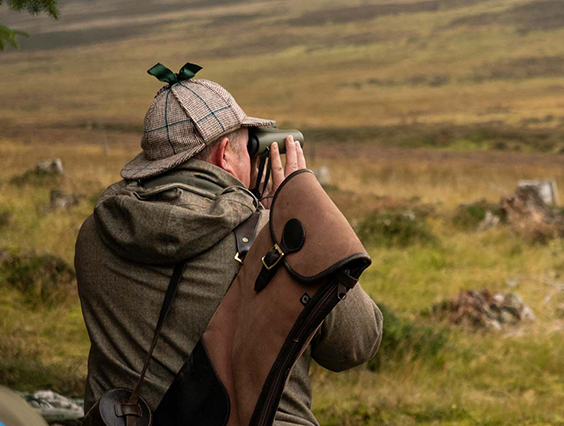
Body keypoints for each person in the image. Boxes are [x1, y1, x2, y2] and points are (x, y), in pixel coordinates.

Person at [74, 67, 382, 426]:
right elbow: (357, 342)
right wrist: (303, 212)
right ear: (224, 154)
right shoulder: (273, 238)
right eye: (249, 147)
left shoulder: (98, 230)